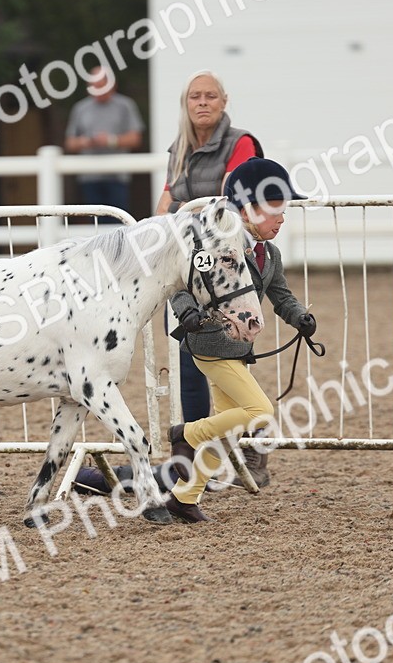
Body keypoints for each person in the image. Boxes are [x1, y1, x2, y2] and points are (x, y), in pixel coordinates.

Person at [165, 157, 318, 523]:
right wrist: (185, 311)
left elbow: (281, 295)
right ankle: (185, 433)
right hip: (209, 345)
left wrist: (300, 318)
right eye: (275, 209)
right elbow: (182, 282)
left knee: (230, 426)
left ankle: (184, 497)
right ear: (248, 209)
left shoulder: (270, 254)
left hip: (239, 349)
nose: (283, 218)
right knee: (260, 412)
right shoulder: (217, 245)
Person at [156, 70, 263, 467]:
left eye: (210, 96)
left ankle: (250, 442)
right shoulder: (178, 148)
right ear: (186, 103)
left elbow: (235, 202)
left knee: (233, 349)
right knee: (188, 349)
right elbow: (165, 203)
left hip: (227, 264)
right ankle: (192, 442)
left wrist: (188, 218)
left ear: (224, 101)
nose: (202, 102)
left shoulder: (241, 143)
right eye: (195, 96)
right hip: (186, 262)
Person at [64, 67, 145, 223]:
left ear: (112, 85)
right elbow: (70, 142)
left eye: (101, 85)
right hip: (90, 177)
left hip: (118, 176)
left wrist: (111, 141)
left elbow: (136, 138)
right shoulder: (80, 108)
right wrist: (86, 142)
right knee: (95, 225)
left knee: (119, 223)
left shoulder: (125, 105)